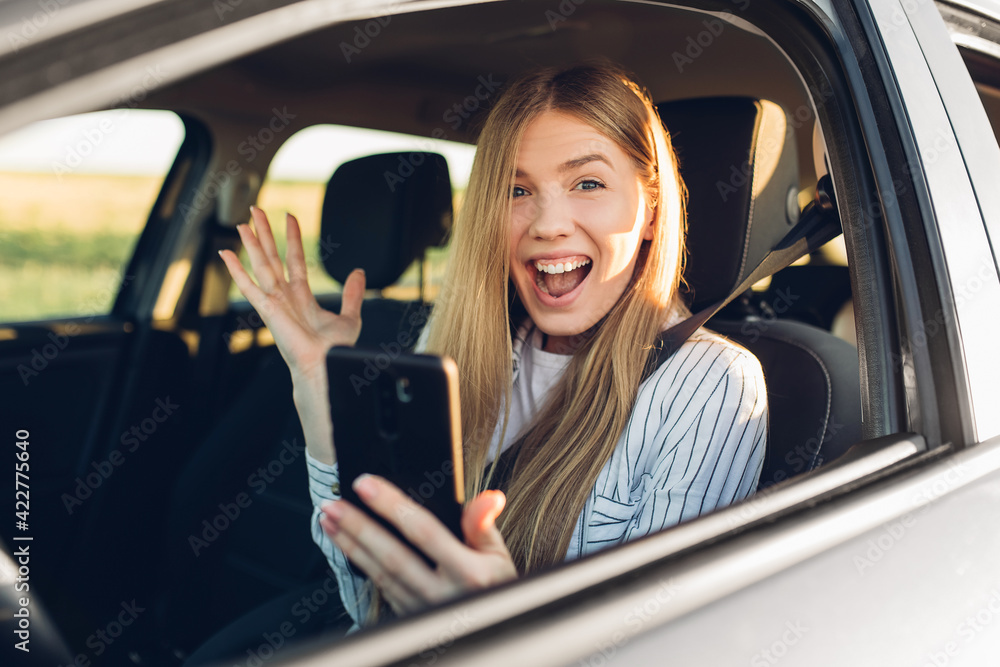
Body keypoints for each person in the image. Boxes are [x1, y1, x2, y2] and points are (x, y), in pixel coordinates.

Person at [219, 61, 767, 631]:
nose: (548, 223)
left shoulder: (712, 385)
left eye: (587, 183)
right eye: (518, 189)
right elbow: (369, 610)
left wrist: (503, 625)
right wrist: (316, 388)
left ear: (651, 210)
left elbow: (665, 646)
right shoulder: (451, 346)